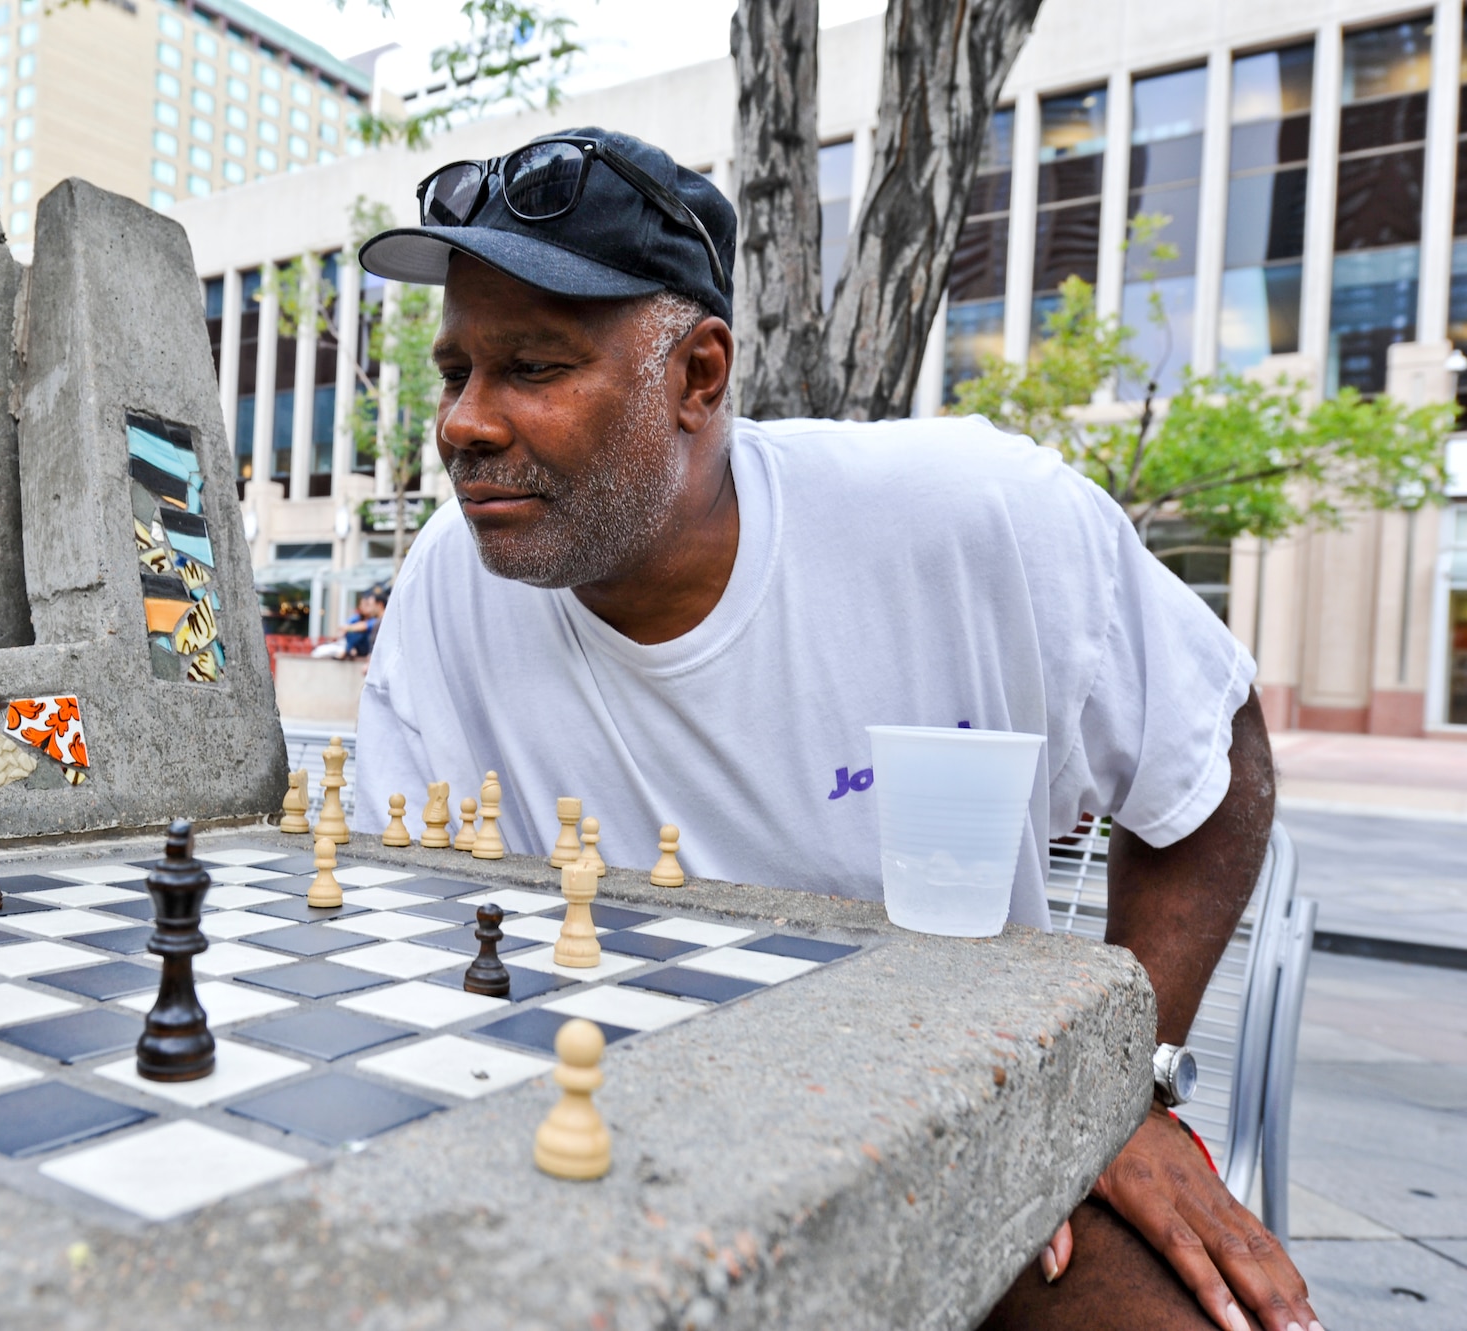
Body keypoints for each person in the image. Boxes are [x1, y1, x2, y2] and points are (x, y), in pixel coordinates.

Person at [350, 127, 1317, 1331]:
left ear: (698, 377)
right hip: (592, 1136)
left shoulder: (976, 516)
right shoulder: (448, 579)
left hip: (959, 1129)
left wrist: (1112, 1083)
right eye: (455, 374)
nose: (462, 424)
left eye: (530, 368)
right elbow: (397, 912)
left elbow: (1212, 752)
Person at [309, 585, 389, 660]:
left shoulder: (380, 621)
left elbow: (362, 627)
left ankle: (347, 650)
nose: (369, 608)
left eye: (370, 605)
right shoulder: (358, 618)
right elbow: (345, 628)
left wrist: (350, 629)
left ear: (380, 605)